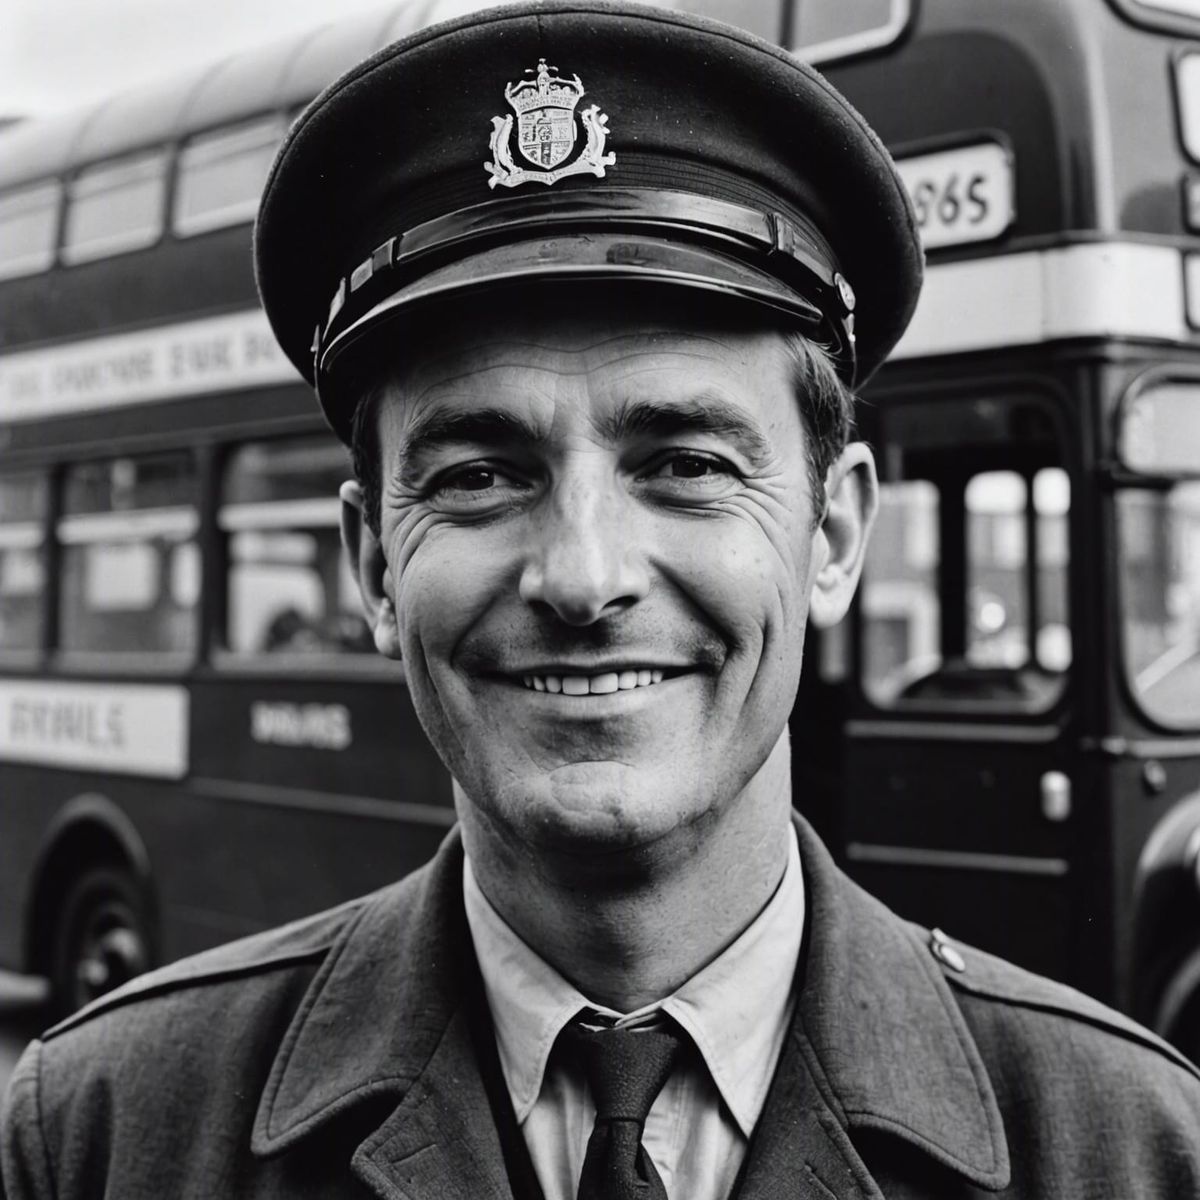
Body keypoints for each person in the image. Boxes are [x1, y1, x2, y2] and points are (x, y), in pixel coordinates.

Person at [4, 3, 1200, 1197]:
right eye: (479, 476)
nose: (582, 578)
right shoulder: (93, 1138)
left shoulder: (1139, 1152)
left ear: (832, 536)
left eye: (685, 465)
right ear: (373, 565)